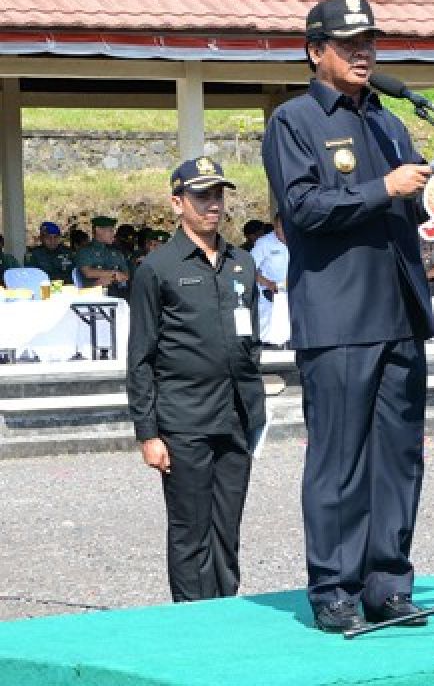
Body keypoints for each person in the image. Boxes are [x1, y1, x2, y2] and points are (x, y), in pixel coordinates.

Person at [261, 0, 434, 634]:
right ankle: (334, 585)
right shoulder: (294, 122)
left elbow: (412, 211)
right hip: (338, 320)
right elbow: (302, 210)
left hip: (399, 314)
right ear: (316, 52)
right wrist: (383, 188)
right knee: (339, 460)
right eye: (350, 43)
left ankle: (387, 582)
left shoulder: (391, 122)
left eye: (370, 42)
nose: (364, 53)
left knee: (400, 456)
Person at [126, 156, 265, 603]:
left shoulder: (241, 263)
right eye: (202, 195)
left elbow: (251, 339)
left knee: (227, 526)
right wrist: (148, 433)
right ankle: (190, 617)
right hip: (184, 419)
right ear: (177, 202)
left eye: (218, 195)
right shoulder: (158, 268)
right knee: (190, 529)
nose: (213, 205)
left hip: (236, 417)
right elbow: (140, 358)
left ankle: (224, 611)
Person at [250, 214, 288, 343]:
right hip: (271, 295)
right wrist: (268, 283)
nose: (279, 232)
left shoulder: (298, 240)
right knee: (269, 337)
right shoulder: (264, 243)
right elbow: (249, 268)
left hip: (294, 294)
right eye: (277, 228)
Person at [75, 216, 131, 296]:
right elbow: (88, 272)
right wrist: (114, 273)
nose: (113, 234)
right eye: (110, 230)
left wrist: (112, 278)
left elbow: (126, 275)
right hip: (93, 297)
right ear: (98, 230)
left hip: (118, 295)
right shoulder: (85, 251)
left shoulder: (116, 252)